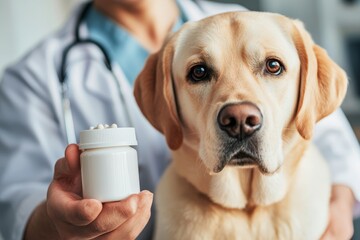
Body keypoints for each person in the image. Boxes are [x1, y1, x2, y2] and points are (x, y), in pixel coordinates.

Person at [0, 0, 359, 239]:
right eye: (200, 72)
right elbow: (14, 202)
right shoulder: (32, 77)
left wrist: (340, 203)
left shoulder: (253, 21)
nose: (239, 116)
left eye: (272, 67)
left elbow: (334, 140)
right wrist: (58, 224)